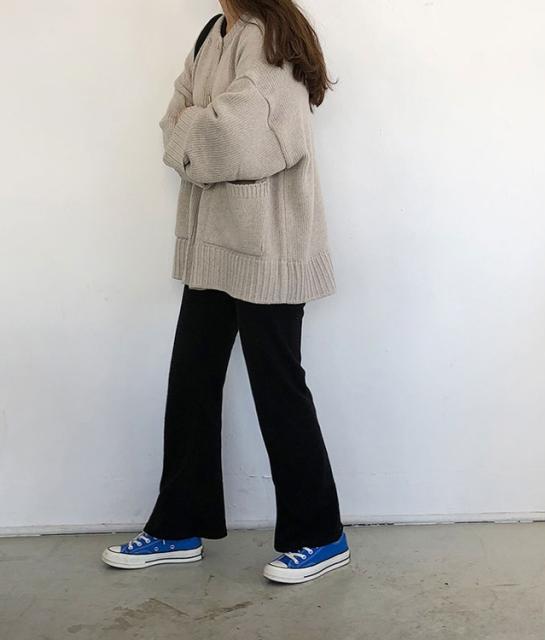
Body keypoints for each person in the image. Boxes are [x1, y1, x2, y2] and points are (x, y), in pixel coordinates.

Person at [101, 0, 348, 584]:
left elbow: (236, 139)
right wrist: (200, 124)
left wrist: (198, 124)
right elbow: (175, 126)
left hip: (267, 246)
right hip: (213, 245)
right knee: (191, 380)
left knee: (278, 387)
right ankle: (177, 526)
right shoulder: (212, 34)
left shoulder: (267, 37)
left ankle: (321, 535)